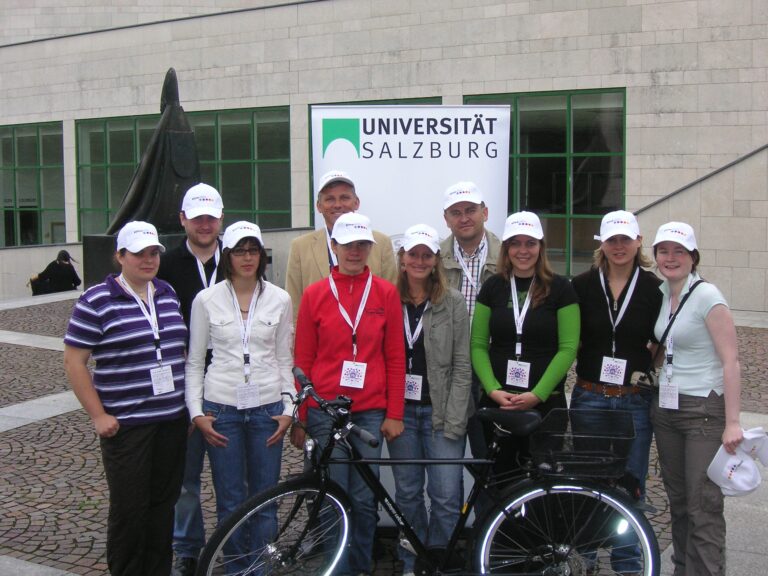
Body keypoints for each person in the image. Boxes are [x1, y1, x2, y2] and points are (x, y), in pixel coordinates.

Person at [63, 221, 188, 576]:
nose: (148, 261)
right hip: (128, 425)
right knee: (130, 511)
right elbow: (75, 361)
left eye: (153, 253)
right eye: (139, 254)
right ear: (120, 256)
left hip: (169, 421)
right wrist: (97, 414)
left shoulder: (166, 292)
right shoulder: (97, 300)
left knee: (163, 508)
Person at [292, 212, 405, 576]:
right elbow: (303, 358)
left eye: (362, 244)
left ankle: (359, 568)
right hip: (327, 409)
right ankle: (335, 569)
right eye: (348, 244)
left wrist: (395, 413)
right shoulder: (315, 294)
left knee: (364, 497)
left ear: (370, 248)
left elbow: (395, 357)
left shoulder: (386, 293)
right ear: (334, 246)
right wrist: (304, 413)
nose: (355, 251)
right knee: (332, 495)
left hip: (371, 410)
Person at [185, 221, 294, 575]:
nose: (247, 258)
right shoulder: (206, 299)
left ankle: (260, 569)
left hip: (266, 409)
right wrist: (196, 412)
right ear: (226, 256)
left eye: (253, 250)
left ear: (262, 255)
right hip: (222, 409)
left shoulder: (280, 298)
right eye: (239, 251)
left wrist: (289, 407)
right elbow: (195, 360)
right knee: (230, 499)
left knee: (266, 499)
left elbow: (284, 358)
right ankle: (234, 568)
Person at [570, 210, 662, 575]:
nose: (619, 246)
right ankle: (587, 555)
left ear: (638, 241)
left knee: (630, 482)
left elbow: (660, 341)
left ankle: (627, 561)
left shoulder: (654, 288)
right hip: (589, 395)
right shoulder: (582, 284)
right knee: (588, 480)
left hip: (633, 399)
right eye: (612, 240)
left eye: (626, 239)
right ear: (602, 245)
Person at [651, 221, 743, 576]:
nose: (670, 258)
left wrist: (733, 422)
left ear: (693, 257)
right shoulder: (663, 293)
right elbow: (666, 345)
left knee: (702, 504)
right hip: (667, 407)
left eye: (679, 251)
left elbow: (731, 361)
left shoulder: (707, 296)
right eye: (664, 251)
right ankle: (682, 569)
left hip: (703, 410)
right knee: (678, 501)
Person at [386, 224, 472, 576]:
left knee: (446, 497)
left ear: (437, 260)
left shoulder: (452, 301)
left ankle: (440, 564)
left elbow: (463, 366)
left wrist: (454, 419)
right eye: (413, 254)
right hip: (401, 412)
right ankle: (411, 563)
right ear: (402, 258)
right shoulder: (386, 298)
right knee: (407, 495)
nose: (419, 260)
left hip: (441, 412)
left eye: (427, 254)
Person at [470, 211, 579, 478]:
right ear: (506, 249)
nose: (523, 251)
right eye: (515, 243)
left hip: (544, 405)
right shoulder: (492, 287)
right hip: (500, 404)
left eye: (530, 243)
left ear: (540, 247)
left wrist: (537, 394)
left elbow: (568, 348)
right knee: (501, 480)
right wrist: (494, 390)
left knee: (542, 485)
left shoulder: (561, 288)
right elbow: (478, 344)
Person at [156, 182, 224, 576]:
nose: (204, 224)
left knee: (232, 475)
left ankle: (235, 538)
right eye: (197, 217)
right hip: (184, 385)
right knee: (185, 478)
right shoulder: (165, 265)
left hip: (230, 383)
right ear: (183, 219)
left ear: (220, 219)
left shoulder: (237, 259)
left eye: (210, 217)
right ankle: (187, 548)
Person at [285, 169, 398, 320]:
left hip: (370, 340)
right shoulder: (300, 247)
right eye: (330, 199)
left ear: (356, 202)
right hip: (321, 340)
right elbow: (294, 305)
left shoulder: (381, 243)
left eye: (344, 198)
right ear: (319, 206)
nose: (337, 205)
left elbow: (391, 301)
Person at [440, 181, 501, 459]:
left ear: (485, 212)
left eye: (470, 210)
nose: (464, 218)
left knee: (486, 449)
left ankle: (488, 502)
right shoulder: (433, 259)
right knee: (447, 448)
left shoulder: (508, 256)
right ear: (446, 218)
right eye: (456, 212)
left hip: (491, 363)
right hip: (449, 365)